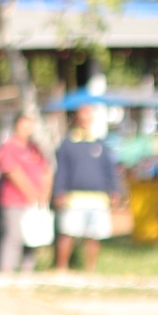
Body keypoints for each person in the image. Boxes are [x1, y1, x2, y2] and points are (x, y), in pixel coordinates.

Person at [54, 103, 123, 272]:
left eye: (89, 115)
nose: (86, 119)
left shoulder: (99, 143)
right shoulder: (68, 143)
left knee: (94, 236)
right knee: (68, 233)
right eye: (83, 115)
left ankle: (90, 269)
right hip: (74, 198)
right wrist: (58, 191)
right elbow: (61, 170)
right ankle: (61, 269)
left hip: (97, 198)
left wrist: (115, 190)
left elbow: (109, 170)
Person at [0, 109, 52, 273]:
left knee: (32, 238)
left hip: (35, 203)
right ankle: (6, 271)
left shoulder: (35, 148)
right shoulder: (9, 146)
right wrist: (32, 193)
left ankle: (27, 271)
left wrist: (44, 194)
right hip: (15, 200)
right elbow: (12, 170)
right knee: (14, 237)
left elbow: (46, 170)